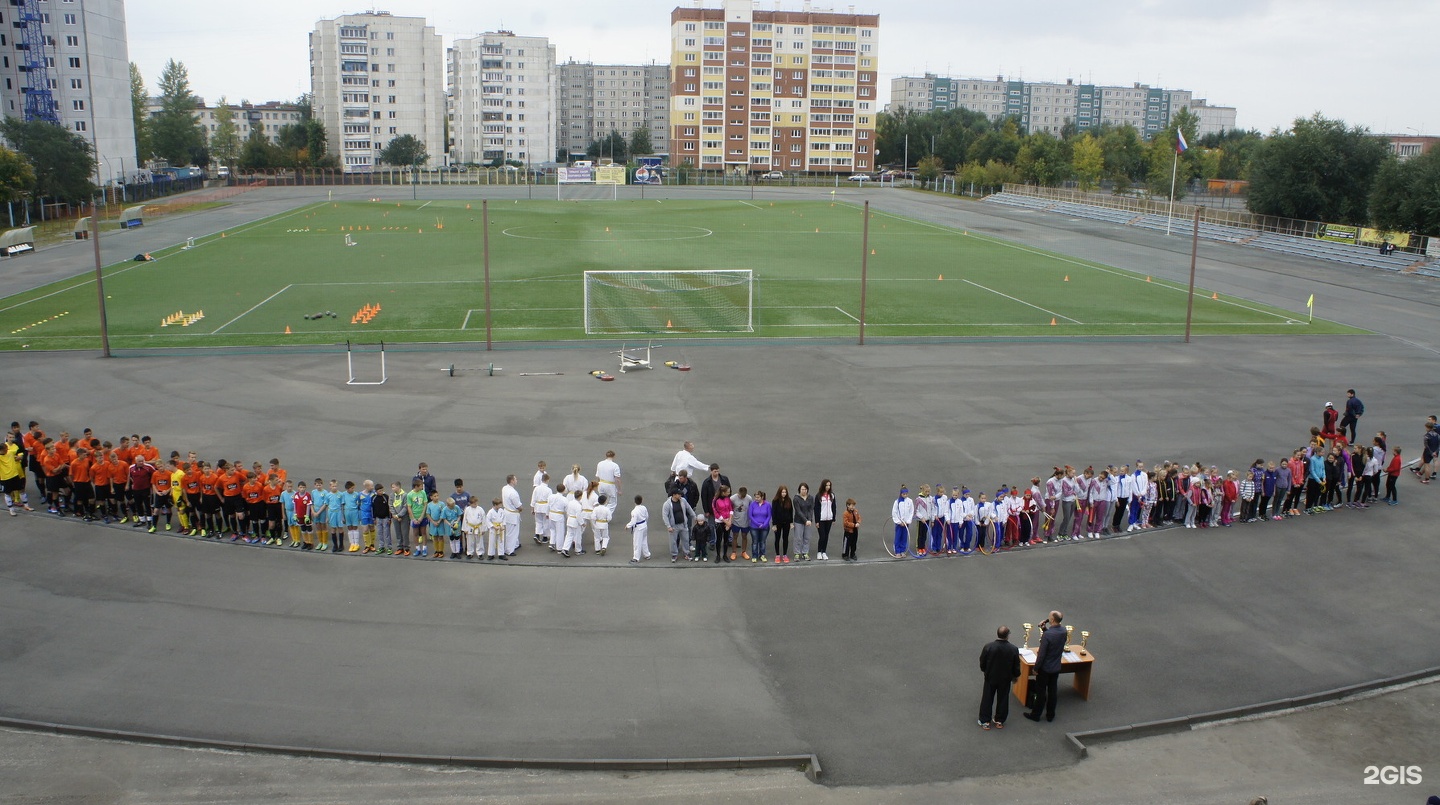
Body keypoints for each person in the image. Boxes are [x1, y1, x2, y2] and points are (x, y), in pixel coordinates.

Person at [1024, 611, 1066, 723]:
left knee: (1041, 691)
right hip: (1056, 667)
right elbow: (1054, 640)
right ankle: (1050, 715)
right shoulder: (1063, 631)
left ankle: (1036, 714)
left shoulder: (1048, 635)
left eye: (1049, 617)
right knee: (1053, 691)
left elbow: (1042, 654)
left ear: (1052, 620)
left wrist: (1035, 668)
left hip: (1045, 669)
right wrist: (1044, 629)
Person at [978, 625, 1021, 729]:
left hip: (990, 677)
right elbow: (1016, 665)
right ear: (1008, 636)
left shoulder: (988, 647)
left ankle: (985, 721)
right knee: (1003, 699)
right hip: (1005, 679)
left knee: (987, 698)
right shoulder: (1013, 649)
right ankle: (999, 720)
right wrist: (1015, 676)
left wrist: (985, 671)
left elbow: (982, 662)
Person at [661, 487, 694, 563]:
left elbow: (689, 508)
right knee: (673, 541)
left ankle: (687, 553)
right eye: (678, 494)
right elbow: (665, 516)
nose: (680, 496)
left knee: (686, 539)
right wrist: (668, 526)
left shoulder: (683, 501)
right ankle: (674, 554)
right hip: (673, 526)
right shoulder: (667, 504)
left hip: (683, 524)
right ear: (674, 495)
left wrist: (694, 516)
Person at [501, 474, 524, 556]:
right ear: (512, 481)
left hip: (506, 511)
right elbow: (518, 506)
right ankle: (509, 550)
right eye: (515, 479)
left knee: (514, 531)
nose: (516, 480)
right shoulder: (513, 493)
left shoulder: (504, 488)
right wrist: (521, 509)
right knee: (511, 532)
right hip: (512, 514)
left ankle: (516, 544)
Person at [814, 479, 837, 561]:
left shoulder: (832, 495)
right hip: (821, 519)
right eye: (826, 485)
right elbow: (816, 509)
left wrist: (833, 518)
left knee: (826, 536)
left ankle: (824, 551)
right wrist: (817, 521)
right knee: (822, 536)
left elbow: (834, 507)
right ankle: (819, 552)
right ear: (823, 486)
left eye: (829, 485)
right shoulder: (818, 496)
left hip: (829, 519)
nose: (828, 487)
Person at [791, 482, 814, 561]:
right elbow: (798, 511)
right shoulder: (796, 499)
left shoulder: (810, 498)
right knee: (798, 538)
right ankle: (797, 553)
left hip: (808, 522)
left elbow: (811, 509)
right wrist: (805, 520)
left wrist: (810, 519)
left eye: (805, 489)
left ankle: (805, 553)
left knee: (807, 537)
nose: (804, 491)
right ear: (799, 490)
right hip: (799, 521)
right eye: (802, 489)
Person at [748, 489, 771, 563]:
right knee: (755, 542)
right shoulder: (752, 504)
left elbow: (769, 515)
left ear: (762, 497)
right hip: (754, 527)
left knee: (762, 541)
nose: (756, 499)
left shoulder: (767, 504)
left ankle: (762, 555)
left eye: (758, 497)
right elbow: (750, 515)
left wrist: (764, 524)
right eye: (755, 497)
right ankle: (754, 556)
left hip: (765, 527)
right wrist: (758, 524)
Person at [772, 485, 794, 563]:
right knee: (777, 539)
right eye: (782, 492)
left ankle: (785, 555)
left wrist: (791, 522)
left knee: (785, 539)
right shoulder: (775, 501)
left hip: (786, 523)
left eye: (785, 492)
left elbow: (791, 512)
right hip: (778, 523)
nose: (784, 493)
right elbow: (773, 513)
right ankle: (777, 555)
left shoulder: (789, 500)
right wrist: (774, 524)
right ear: (779, 492)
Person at [890, 486, 914, 557]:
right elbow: (894, 513)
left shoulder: (910, 501)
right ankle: (897, 551)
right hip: (899, 524)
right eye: (904, 494)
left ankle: (903, 550)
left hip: (906, 523)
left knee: (904, 537)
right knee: (898, 537)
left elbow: (911, 512)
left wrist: (908, 521)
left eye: (906, 494)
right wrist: (899, 522)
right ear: (901, 494)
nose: (905, 495)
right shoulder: (897, 502)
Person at [626, 494, 650, 565]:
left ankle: (636, 558)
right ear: (641, 501)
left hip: (638, 527)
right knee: (644, 540)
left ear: (634, 501)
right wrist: (645, 523)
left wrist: (627, 526)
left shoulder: (634, 511)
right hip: (644, 525)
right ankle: (647, 554)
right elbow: (647, 516)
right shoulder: (644, 508)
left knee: (637, 542)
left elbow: (633, 521)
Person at [531, 472, 553, 545]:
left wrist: (532, 508)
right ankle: (544, 537)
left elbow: (533, 498)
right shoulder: (548, 490)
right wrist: (549, 511)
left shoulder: (536, 488)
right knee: (546, 522)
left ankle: (537, 534)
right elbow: (550, 501)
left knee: (538, 521)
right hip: (545, 507)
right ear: (547, 480)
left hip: (537, 506)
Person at [462, 495, 487, 559]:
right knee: (470, 541)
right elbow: (465, 519)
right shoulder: (467, 509)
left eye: (476, 503)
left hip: (478, 527)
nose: (475, 504)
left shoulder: (480, 509)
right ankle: (470, 553)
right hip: (470, 527)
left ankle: (480, 553)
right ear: (470, 504)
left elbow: (484, 519)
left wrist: (483, 529)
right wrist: (465, 528)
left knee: (479, 540)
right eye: (474, 504)